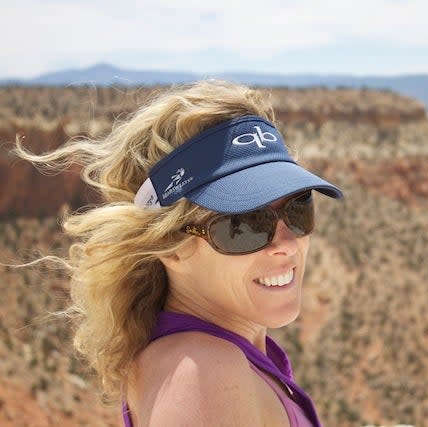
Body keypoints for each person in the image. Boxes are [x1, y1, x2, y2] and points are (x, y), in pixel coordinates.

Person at [14, 80, 342, 426]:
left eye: (297, 208)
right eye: (245, 225)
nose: (287, 244)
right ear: (172, 246)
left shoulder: (208, 358)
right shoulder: (204, 374)